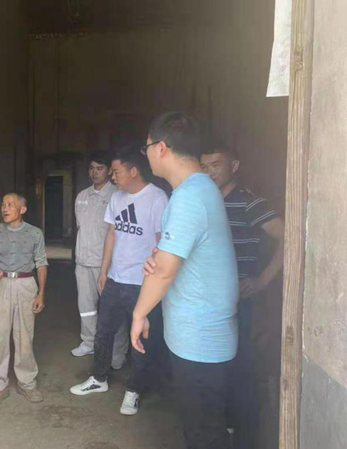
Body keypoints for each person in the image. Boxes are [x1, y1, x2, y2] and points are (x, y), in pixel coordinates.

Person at [132, 111, 239, 449]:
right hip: (200, 335)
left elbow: (164, 270)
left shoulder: (189, 196)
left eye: (147, 147)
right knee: (203, 428)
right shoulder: (200, 189)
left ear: (161, 148)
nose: (147, 154)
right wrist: (160, 256)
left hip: (201, 339)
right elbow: (169, 259)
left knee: (204, 435)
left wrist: (138, 314)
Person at [70, 148, 168, 416]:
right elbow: (112, 235)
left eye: (116, 171)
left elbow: (162, 242)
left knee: (140, 340)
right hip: (115, 278)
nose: (112, 177)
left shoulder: (157, 198)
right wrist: (104, 271)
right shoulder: (117, 198)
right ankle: (98, 378)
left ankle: (134, 390)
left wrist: (156, 280)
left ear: (133, 171)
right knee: (103, 331)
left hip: (142, 283)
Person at [201, 143, 284, 448]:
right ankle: (225, 425)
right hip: (210, 301)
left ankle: (245, 435)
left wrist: (262, 280)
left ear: (234, 166)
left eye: (216, 165)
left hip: (240, 302)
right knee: (217, 368)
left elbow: (288, 237)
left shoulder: (249, 202)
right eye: (204, 166)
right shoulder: (204, 201)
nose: (210, 172)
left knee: (242, 369)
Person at [0, 193, 48, 408]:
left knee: (25, 336)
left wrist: (41, 293)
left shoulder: (35, 233)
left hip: (26, 285)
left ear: (22, 209)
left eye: (10, 205)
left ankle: (27, 382)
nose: (5, 208)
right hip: (0, 284)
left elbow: (41, 263)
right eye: (3, 204)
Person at [72, 151, 129, 369]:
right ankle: (89, 342)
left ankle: (117, 352)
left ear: (108, 171)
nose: (95, 172)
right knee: (86, 306)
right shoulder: (82, 196)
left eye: (100, 168)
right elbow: (80, 226)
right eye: (91, 168)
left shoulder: (117, 195)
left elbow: (118, 233)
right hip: (83, 261)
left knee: (113, 310)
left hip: (107, 263)